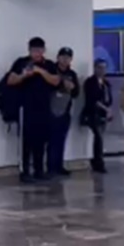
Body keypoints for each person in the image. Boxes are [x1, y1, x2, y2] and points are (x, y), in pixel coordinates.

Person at [6, 37, 61, 183]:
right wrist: (24, 75)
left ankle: (39, 170)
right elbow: (10, 80)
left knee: (41, 140)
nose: (36, 53)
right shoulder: (21, 62)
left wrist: (40, 72)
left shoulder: (48, 65)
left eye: (39, 50)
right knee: (26, 141)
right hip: (26, 108)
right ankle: (24, 171)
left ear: (43, 50)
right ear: (29, 50)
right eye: (33, 50)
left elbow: (56, 81)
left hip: (44, 108)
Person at [47, 47, 79, 177]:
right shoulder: (51, 70)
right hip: (50, 111)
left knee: (61, 140)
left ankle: (59, 166)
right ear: (58, 57)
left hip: (65, 111)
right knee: (50, 141)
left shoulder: (72, 74)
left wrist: (72, 87)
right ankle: (49, 167)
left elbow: (76, 93)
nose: (65, 60)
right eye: (63, 57)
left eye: (68, 57)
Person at [81, 59, 113, 173]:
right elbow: (93, 99)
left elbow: (109, 99)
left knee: (100, 138)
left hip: (103, 114)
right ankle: (98, 162)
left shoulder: (106, 84)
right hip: (93, 113)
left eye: (104, 68)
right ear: (95, 68)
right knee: (99, 137)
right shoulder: (90, 82)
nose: (102, 70)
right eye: (99, 67)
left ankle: (97, 160)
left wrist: (109, 110)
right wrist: (106, 109)